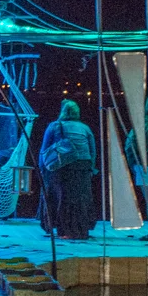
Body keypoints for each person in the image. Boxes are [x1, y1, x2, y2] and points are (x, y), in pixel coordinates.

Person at [39, 99, 96, 240]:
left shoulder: (54, 126)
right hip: (83, 166)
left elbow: (44, 150)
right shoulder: (85, 128)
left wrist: (42, 169)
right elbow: (92, 150)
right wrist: (91, 168)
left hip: (62, 166)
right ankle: (80, 229)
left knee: (62, 198)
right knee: (80, 199)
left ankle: (65, 230)